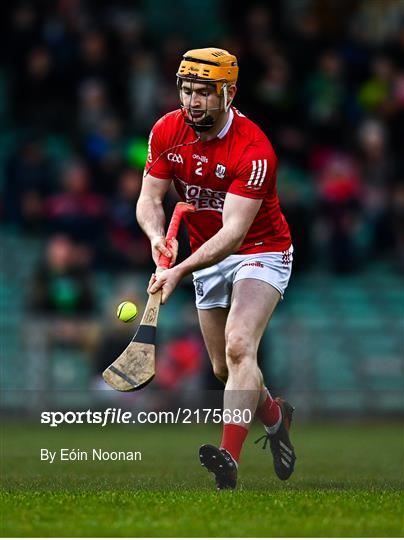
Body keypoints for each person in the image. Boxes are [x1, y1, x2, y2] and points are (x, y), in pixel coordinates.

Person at [136, 47, 296, 490]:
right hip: (205, 255)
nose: (192, 101)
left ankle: (229, 458)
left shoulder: (254, 150)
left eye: (204, 92)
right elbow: (149, 200)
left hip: (259, 250)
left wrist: (178, 270)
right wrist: (155, 238)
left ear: (228, 93)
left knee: (241, 346)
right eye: (186, 90)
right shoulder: (167, 130)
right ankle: (274, 414)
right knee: (224, 370)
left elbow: (235, 235)